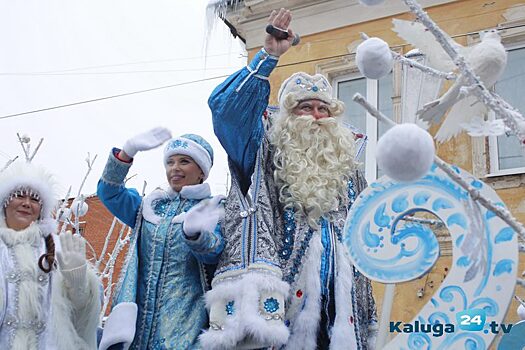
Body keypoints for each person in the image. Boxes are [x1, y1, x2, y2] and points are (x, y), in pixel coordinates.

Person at [201, 8, 378, 350]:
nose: (315, 117)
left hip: (343, 313)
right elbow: (226, 111)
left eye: (323, 109)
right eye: (304, 108)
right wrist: (267, 56)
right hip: (279, 313)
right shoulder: (261, 150)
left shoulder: (349, 170)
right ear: (286, 117)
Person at [97, 127, 225, 350]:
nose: (175, 168)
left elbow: (216, 253)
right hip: (137, 328)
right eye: (170, 162)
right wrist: (126, 154)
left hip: (186, 326)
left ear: (202, 171)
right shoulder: (148, 207)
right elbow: (110, 193)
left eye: (184, 161)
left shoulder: (214, 208)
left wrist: (196, 235)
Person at [0, 162, 101, 350]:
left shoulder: (57, 248)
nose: (26, 203)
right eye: (19, 196)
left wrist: (78, 283)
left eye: (35, 199)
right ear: (5, 202)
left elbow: (81, 318)